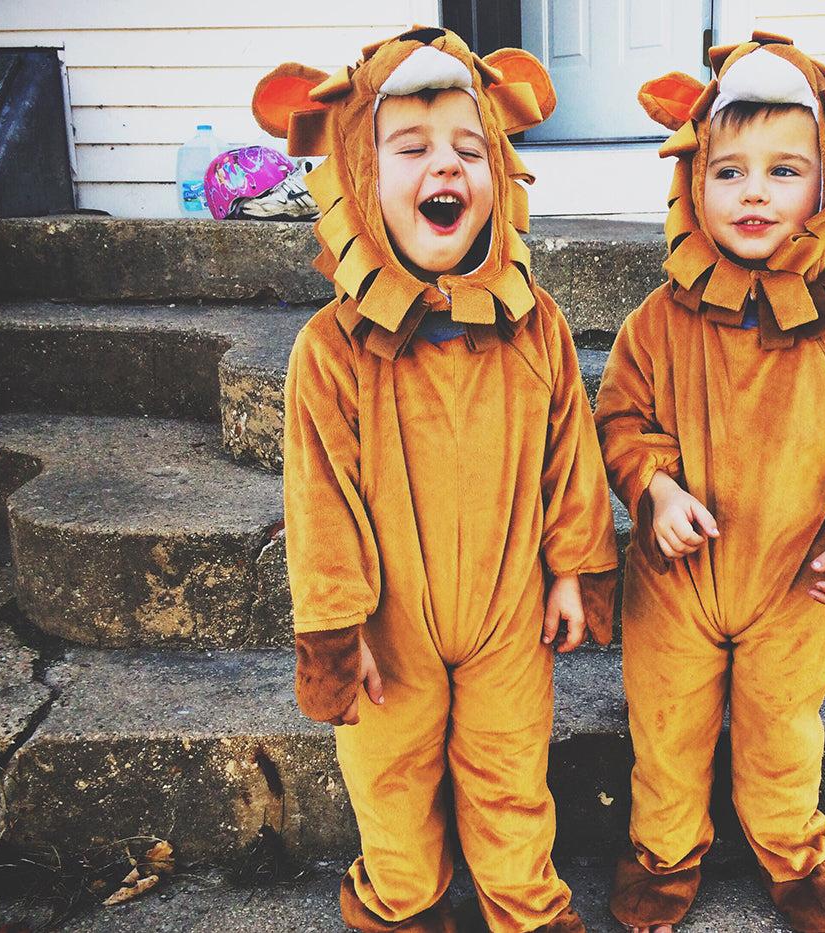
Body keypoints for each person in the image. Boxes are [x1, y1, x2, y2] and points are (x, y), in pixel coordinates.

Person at [254, 27, 618, 932]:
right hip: (391, 626)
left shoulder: (537, 329)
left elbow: (568, 450)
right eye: (410, 150)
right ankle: (403, 902)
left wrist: (575, 565)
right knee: (391, 777)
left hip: (507, 613)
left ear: (499, 175)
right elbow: (319, 501)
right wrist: (339, 627)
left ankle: (525, 903)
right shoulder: (331, 350)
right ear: (360, 179)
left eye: (468, 149)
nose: (443, 168)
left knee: (511, 769)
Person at [595, 32, 825, 933]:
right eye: (729, 171)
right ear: (691, 183)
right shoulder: (657, 322)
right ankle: (664, 854)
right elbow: (620, 417)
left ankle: (794, 854)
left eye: (784, 172)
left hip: (797, 579)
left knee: (782, 734)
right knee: (664, 730)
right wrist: (656, 490)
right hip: (675, 584)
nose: (753, 191)